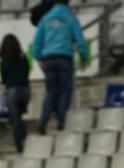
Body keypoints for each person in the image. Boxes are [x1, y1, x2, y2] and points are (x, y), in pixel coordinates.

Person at [32, 0, 89, 134]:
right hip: (64, 58)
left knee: (51, 91)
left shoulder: (46, 18)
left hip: (49, 59)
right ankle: (61, 121)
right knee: (65, 91)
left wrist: (39, 57)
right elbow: (80, 40)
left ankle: (44, 120)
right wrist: (84, 57)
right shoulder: (71, 18)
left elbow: (36, 43)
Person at [0, 34, 31, 153]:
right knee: (19, 117)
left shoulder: (4, 60)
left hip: (13, 90)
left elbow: (3, 78)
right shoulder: (23, 58)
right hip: (25, 90)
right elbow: (27, 72)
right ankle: (25, 140)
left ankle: (20, 146)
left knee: (15, 120)